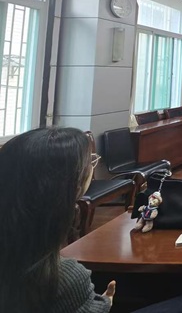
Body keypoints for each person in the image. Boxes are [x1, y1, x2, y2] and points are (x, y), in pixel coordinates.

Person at [0, 127, 115, 312]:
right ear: (71, 185)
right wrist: (104, 304)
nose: (92, 167)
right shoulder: (62, 277)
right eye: (90, 163)